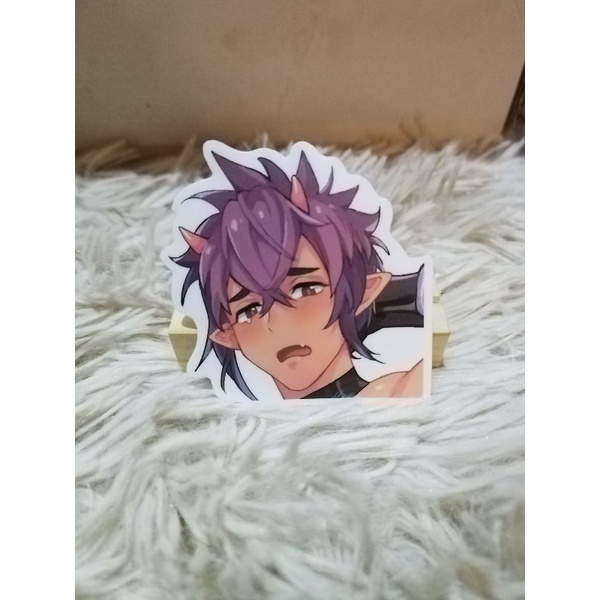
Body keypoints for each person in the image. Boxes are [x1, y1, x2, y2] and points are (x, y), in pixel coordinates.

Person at [171, 146, 424, 400]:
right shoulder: (240, 420)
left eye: (305, 288)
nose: (279, 325)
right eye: (250, 310)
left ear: (363, 291)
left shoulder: (400, 391)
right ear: (228, 336)